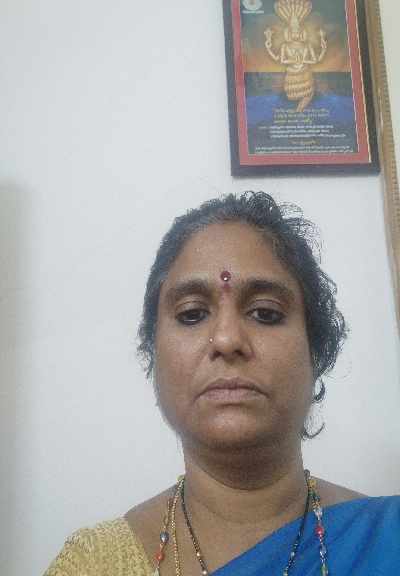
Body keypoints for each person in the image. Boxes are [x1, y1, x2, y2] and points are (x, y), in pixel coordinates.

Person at [44, 192, 400, 575]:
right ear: (153, 352)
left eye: (265, 313)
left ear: (316, 350)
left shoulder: (387, 539)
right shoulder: (94, 563)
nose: (227, 339)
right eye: (192, 314)